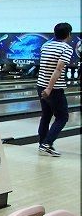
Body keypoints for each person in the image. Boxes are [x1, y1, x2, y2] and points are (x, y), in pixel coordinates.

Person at [37, 22, 74, 157]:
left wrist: (46, 87)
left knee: (46, 115)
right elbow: (58, 69)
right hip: (54, 88)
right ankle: (47, 144)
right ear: (68, 34)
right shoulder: (66, 48)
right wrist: (49, 88)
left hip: (40, 84)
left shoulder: (45, 45)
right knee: (62, 117)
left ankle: (42, 144)